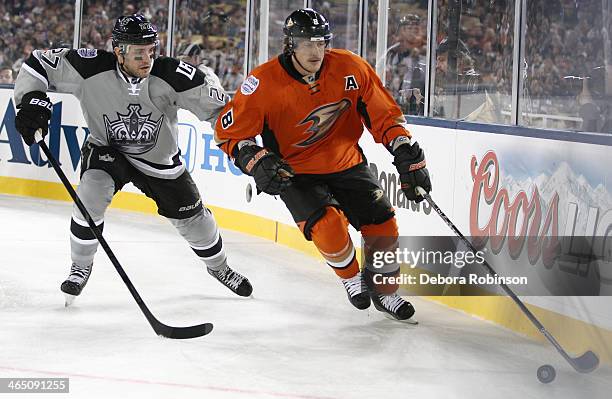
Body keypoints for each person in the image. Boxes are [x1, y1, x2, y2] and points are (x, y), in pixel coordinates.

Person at [13, 14, 252, 304]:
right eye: (138, 52)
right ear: (118, 51)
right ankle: (80, 265)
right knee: (90, 193)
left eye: (151, 50)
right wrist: (30, 100)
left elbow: (220, 113)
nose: (147, 58)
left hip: (160, 160)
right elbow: (37, 64)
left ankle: (220, 268)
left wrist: (244, 146)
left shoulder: (173, 75)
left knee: (195, 221)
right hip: (107, 151)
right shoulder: (89, 67)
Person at [214, 9, 432, 321]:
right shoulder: (262, 83)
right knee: (329, 225)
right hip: (296, 172)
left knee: (383, 223)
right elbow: (230, 134)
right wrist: (254, 159)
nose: (315, 51)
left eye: (320, 43)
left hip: (347, 162)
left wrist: (404, 147)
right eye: (306, 44)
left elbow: (384, 114)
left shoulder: (350, 67)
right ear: (290, 45)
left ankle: (384, 291)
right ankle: (351, 277)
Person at [385, 14, 427, 115]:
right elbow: (383, 76)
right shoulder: (393, 52)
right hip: (397, 102)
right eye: (409, 28)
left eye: (416, 28)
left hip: (424, 102)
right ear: (402, 31)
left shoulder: (430, 50)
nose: (414, 31)